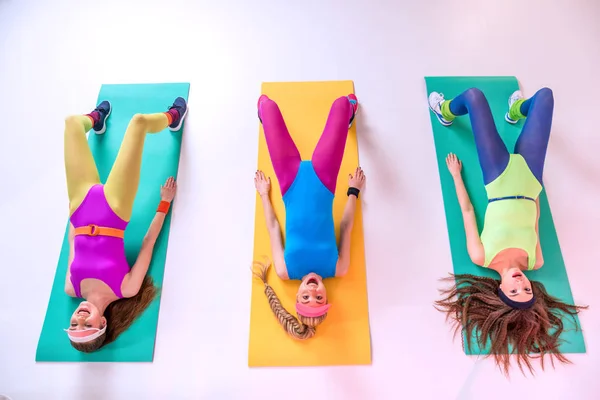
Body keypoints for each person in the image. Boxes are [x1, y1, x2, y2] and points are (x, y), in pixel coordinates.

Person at [427, 87, 587, 374]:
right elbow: (535, 220)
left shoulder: (482, 256)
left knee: (475, 97)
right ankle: (516, 111)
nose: (520, 283)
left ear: (501, 291)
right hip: (529, 181)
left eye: (515, 290)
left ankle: (445, 112)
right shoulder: (535, 261)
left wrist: (456, 176)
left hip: (499, 179)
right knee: (546, 96)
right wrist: (534, 190)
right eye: (527, 289)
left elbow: (467, 211)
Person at [63, 97, 188, 352]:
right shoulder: (126, 289)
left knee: (72, 124)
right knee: (138, 123)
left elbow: (72, 241)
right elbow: (148, 243)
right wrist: (164, 203)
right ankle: (174, 117)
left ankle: (96, 120)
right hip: (113, 209)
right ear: (103, 323)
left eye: (74, 325)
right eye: (86, 326)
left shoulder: (71, 287)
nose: (80, 319)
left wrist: (74, 212)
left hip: (80, 206)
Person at [253, 94, 365, 340]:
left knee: (267, 106)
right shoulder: (338, 267)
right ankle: (349, 116)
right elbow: (346, 227)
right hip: (324, 180)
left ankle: (263, 114)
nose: (313, 290)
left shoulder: (285, 271)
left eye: (306, 297)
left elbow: (273, 227)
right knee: (342, 104)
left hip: (289, 182)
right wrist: (353, 191)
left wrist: (263, 194)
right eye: (319, 297)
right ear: (326, 294)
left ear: (297, 295)